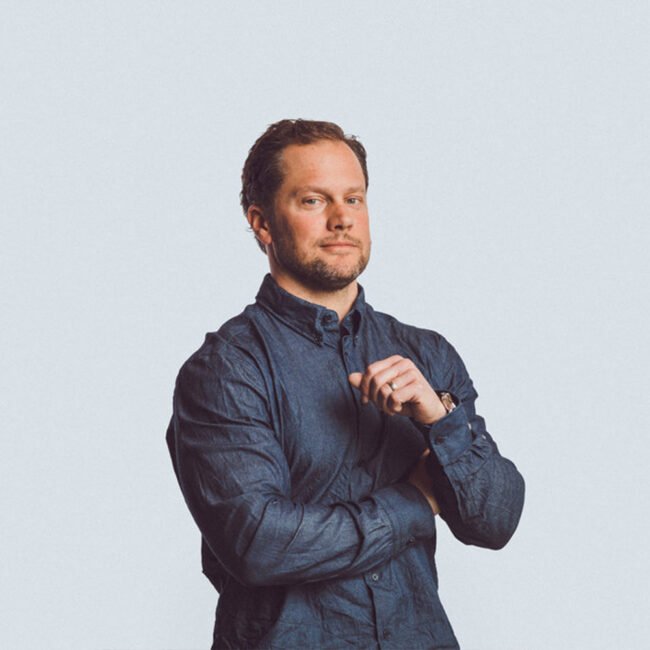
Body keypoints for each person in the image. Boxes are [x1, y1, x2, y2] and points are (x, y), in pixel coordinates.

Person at [166, 119, 525, 650]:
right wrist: (414, 501)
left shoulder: (426, 355)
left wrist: (439, 417)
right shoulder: (226, 369)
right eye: (313, 201)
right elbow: (259, 543)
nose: (341, 219)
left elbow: (495, 522)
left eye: (353, 199)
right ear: (262, 223)